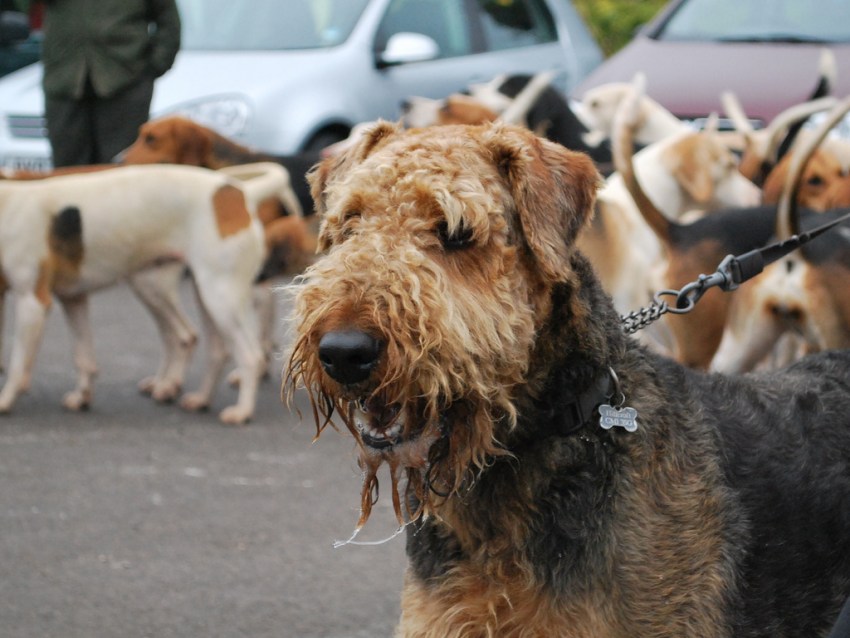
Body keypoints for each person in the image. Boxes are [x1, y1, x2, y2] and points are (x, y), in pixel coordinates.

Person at [41, 0, 181, 167]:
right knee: (67, 174)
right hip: (64, 79)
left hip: (126, 81)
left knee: (120, 171)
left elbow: (168, 21)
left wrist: (153, 68)